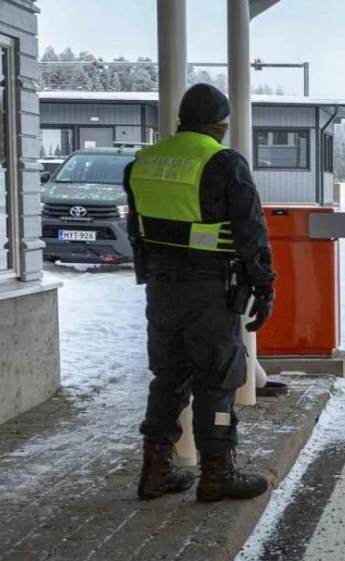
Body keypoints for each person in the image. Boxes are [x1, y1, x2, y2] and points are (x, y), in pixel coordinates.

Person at [127, 83, 275, 503]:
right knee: (218, 379)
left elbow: (136, 229)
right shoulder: (223, 162)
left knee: (168, 378)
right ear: (218, 124)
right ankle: (217, 473)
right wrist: (264, 286)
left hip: (161, 289)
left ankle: (154, 471)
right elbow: (250, 231)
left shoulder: (143, 162)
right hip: (210, 291)